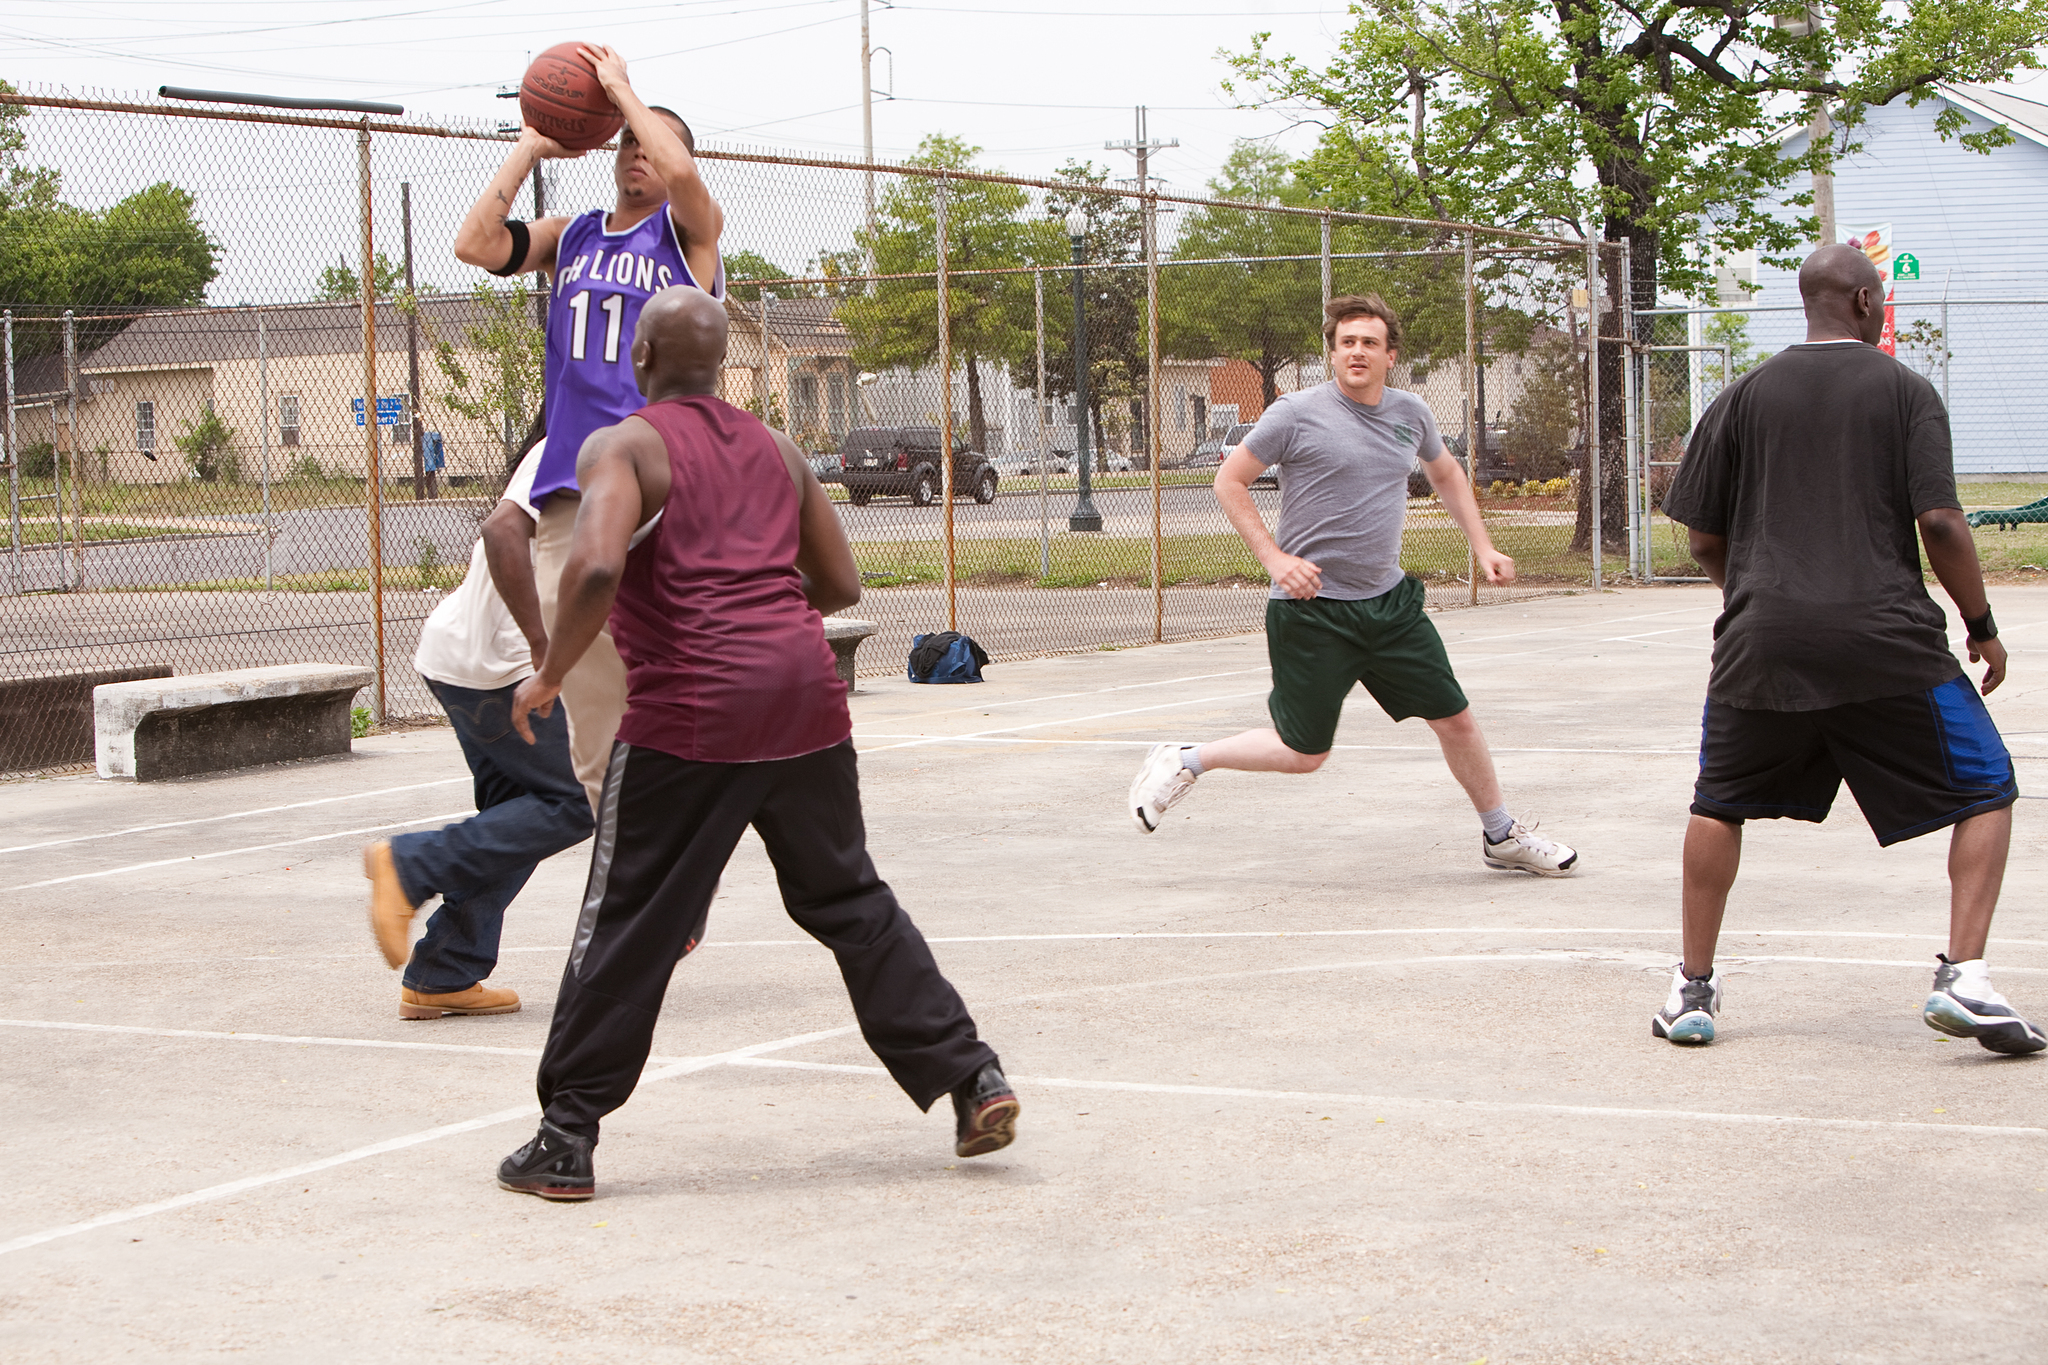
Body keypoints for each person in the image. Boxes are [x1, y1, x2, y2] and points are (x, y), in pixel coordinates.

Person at [493, 286, 1017, 1202]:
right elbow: (840, 582)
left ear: (642, 360)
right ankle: (972, 1078)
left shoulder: (622, 444)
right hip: (808, 698)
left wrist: (548, 669)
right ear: (725, 362)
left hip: (691, 712)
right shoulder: (777, 448)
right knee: (848, 896)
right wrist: (761, 622)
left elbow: (599, 562)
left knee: (628, 917)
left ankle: (566, 1134)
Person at [1653, 244, 2041, 1053]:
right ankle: (1963, 977)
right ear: (1865, 302)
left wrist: (1759, 598)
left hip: (1763, 643)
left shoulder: (1740, 395)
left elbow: (1700, 538)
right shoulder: (1904, 391)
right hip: (1886, 641)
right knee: (1987, 787)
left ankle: (1692, 990)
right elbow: (1940, 522)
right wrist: (1981, 625)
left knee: (1718, 802)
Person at [1126, 294, 1578, 877]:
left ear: (1390, 355)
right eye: (1347, 342)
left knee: (1455, 718)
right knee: (1304, 753)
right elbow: (1229, 480)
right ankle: (1186, 759)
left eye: (1369, 342)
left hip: (1389, 604)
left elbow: (1445, 472)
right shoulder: (1294, 413)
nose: (1357, 352)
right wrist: (1274, 557)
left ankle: (1501, 835)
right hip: (1311, 609)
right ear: (1333, 353)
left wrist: (1483, 545)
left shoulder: (1411, 413)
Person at [453, 42, 726, 814]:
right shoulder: (572, 236)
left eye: (651, 143)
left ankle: (661, 866)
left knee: (677, 684)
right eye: (626, 142)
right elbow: (475, 243)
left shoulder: (688, 236)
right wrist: (532, 142)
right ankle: (644, 883)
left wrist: (622, 91)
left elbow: (684, 177)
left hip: (661, 480)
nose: (637, 152)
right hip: (574, 488)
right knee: (599, 719)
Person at [361, 432, 594, 1017]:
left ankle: (445, 970)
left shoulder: (585, 442)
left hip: (468, 661)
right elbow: (500, 532)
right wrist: (544, 650)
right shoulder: (581, 443)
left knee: (515, 821)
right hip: (505, 668)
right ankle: (412, 864)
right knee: (577, 801)